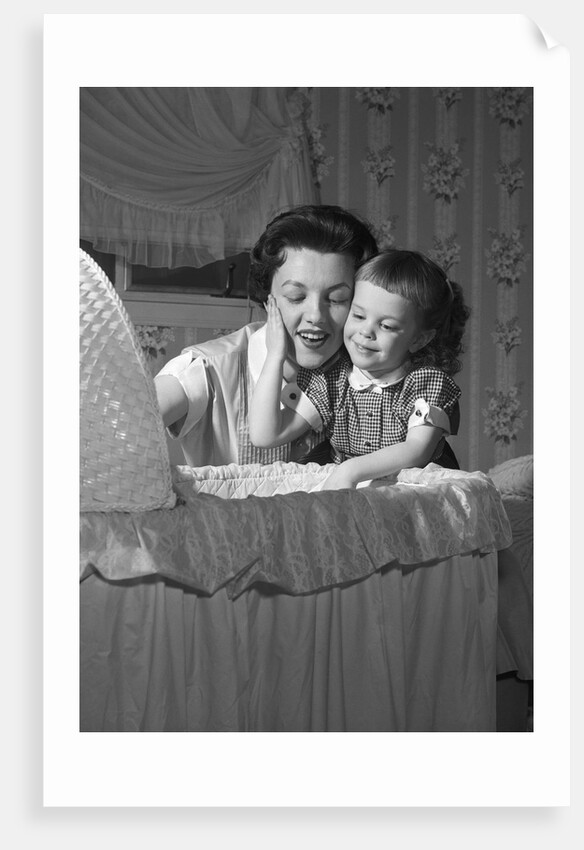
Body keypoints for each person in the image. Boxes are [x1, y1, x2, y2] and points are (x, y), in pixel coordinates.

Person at [154, 204, 378, 467]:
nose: (316, 315)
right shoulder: (208, 370)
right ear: (266, 296)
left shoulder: (374, 373)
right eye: (296, 297)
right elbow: (126, 421)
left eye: (337, 298)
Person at [249, 249, 470, 489]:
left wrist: (351, 470)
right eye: (358, 315)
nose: (366, 332)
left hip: (409, 493)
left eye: (386, 325)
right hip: (347, 488)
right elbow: (265, 436)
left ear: (419, 339)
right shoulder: (332, 378)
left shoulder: (425, 383)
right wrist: (275, 356)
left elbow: (417, 449)